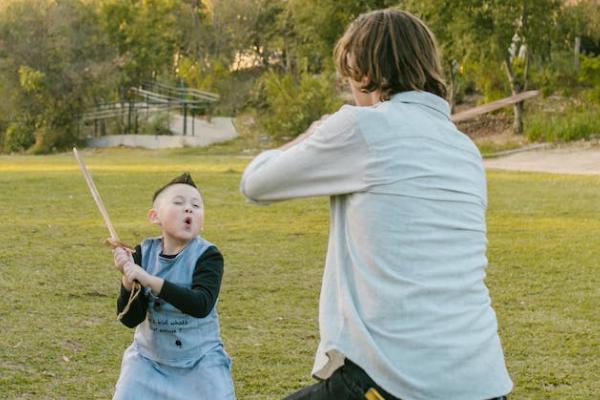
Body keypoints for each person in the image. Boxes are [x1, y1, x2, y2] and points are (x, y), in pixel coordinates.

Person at [240, 8, 512, 400]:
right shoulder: (465, 148)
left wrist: (309, 135)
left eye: (349, 73)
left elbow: (256, 184)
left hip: (397, 382)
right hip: (484, 380)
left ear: (365, 74)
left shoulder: (360, 126)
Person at [112, 173, 235, 400]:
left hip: (200, 360)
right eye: (179, 203)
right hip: (148, 362)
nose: (189, 209)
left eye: (196, 205)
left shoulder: (208, 255)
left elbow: (200, 304)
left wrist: (149, 280)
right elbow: (130, 319)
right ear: (154, 216)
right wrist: (128, 282)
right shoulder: (142, 253)